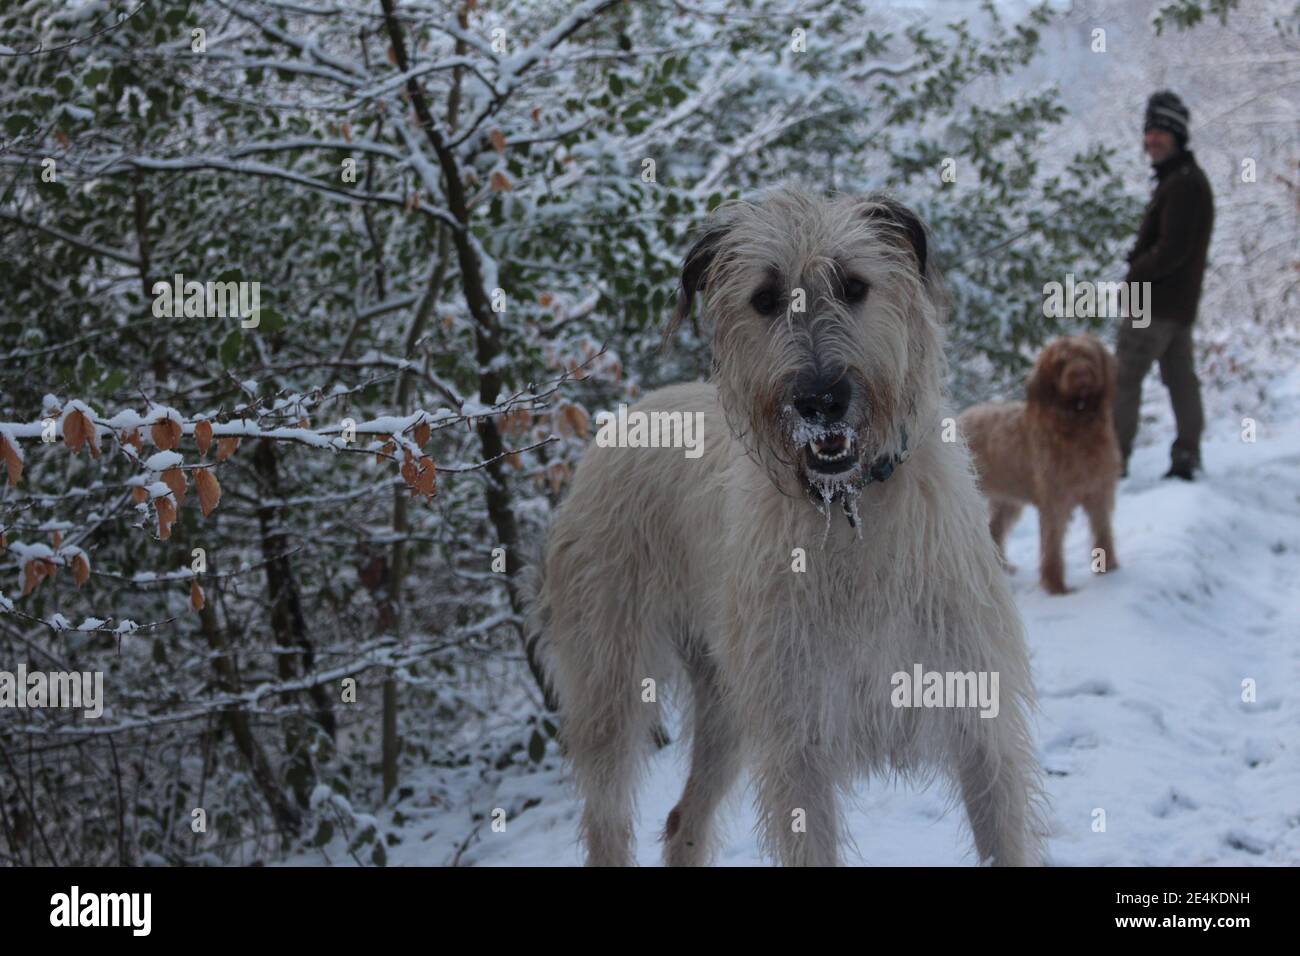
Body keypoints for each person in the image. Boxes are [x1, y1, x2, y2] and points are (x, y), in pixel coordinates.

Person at [1114, 90, 1214, 481]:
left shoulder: (1183, 184)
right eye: (1149, 132)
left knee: (1125, 380)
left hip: (1152, 305)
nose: (1151, 139)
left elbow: (1173, 249)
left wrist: (1135, 270)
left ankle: (1114, 461)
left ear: (1178, 136)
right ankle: (1186, 454)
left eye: (1161, 132)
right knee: (1180, 379)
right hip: (1179, 306)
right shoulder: (1184, 179)